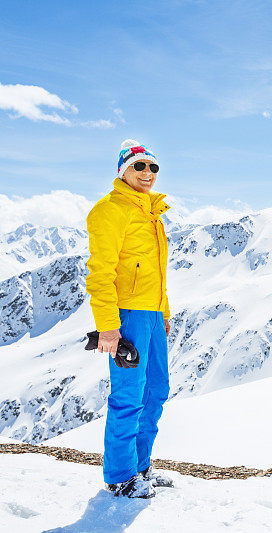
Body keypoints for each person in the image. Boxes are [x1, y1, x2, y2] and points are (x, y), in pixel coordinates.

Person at [85, 139, 175, 498]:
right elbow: (100, 271)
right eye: (139, 166)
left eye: (153, 167)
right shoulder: (110, 210)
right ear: (123, 171)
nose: (148, 173)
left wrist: (163, 313)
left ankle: (141, 468)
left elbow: (156, 270)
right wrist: (108, 324)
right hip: (127, 315)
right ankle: (120, 476)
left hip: (152, 315)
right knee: (129, 395)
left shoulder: (152, 214)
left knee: (156, 390)